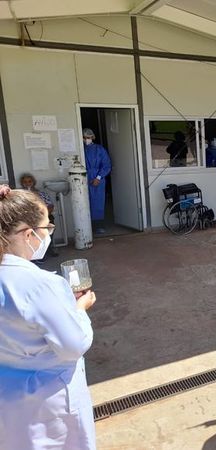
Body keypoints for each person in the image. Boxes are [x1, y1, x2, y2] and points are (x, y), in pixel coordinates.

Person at [0, 184, 97, 449]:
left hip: (8, 400)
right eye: (47, 228)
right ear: (29, 234)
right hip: (48, 406)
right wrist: (80, 309)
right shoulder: (40, 284)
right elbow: (73, 345)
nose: (49, 234)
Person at [19, 173, 58, 257]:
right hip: (28, 219)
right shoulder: (20, 195)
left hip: (42, 217)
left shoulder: (41, 194)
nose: (27, 184)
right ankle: (36, 253)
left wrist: (43, 216)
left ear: (33, 182)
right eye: (25, 182)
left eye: (29, 181)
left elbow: (50, 205)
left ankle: (49, 249)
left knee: (50, 223)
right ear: (22, 183)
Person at [83, 128, 111, 235]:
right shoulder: (80, 149)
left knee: (97, 202)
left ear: (93, 137)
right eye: (84, 138)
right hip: (83, 178)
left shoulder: (99, 149)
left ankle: (98, 225)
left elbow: (106, 165)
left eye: (88, 137)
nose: (87, 139)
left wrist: (98, 177)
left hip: (97, 179)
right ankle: (85, 226)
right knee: (84, 202)